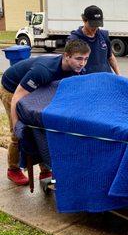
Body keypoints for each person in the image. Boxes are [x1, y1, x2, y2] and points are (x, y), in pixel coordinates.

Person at [0, 39, 91, 186]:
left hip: (38, 89)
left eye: (86, 59)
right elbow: (17, 96)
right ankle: (13, 169)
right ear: (66, 56)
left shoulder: (77, 71)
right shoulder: (44, 71)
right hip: (12, 88)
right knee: (19, 134)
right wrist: (16, 124)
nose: (82, 63)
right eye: (78, 58)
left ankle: (45, 169)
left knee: (42, 129)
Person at [68, 5, 120, 75]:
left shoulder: (103, 35)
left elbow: (110, 56)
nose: (95, 28)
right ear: (84, 20)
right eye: (92, 25)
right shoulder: (75, 39)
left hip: (105, 78)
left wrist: (118, 74)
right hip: (86, 80)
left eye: (97, 25)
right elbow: (68, 61)